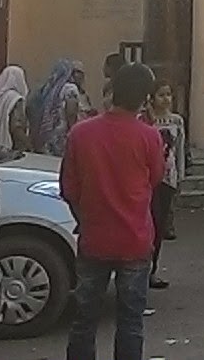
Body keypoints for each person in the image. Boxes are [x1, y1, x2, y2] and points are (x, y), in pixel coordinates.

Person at [62, 62, 164, 360]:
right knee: (131, 321)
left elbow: (69, 188)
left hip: (95, 237)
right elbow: (155, 178)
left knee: (84, 320)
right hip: (135, 238)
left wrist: (85, 216)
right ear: (144, 98)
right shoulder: (149, 137)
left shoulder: (81, 134)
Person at [142, 81, 189, 289]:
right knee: (147, 224)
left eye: (168, 94)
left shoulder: (176, 121)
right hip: (147, 179)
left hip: (167, 177)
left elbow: (179, 149)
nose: (166, 99)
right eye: (161, 95)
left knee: (159, 226)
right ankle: (140, 269)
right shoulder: (144, 121)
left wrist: (180, 175)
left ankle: (152, 270)